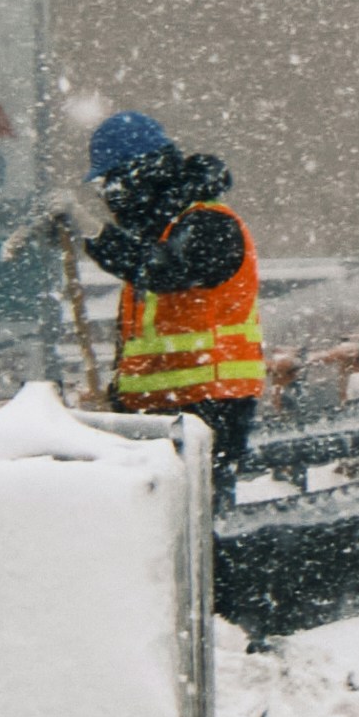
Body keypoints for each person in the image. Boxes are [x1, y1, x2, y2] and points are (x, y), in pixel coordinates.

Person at [81, 110, 265, 482]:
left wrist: (94, 236)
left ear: (142, 175)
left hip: (207, 408)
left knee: (194, 523)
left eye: (110, 185)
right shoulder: (155, 235)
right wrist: (119, 397)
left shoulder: (209, 224)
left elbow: (165, 271)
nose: (108, 199)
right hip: (153, 414)